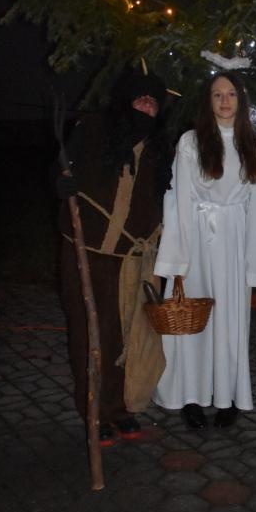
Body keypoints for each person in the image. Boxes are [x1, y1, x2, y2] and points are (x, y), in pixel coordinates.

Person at [153, 70, 256, 429]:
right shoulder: (192, 142)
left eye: (231, 95)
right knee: (192, 318)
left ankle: (228, 395)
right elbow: (178, 198)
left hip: (234, 241)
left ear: (241, 100)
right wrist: (178, 255)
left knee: (229, 317)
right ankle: (190, 395)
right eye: (217, 95)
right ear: (208, 101)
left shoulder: (254, 145)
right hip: (196, 237)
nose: (225, 101)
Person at [58, 66, 173, 445]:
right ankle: (95, 411)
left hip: (132, 261)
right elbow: (61, 167)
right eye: (140, 97)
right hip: (88, 254)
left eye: (153, 102)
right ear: (125, 100)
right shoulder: (93, 131)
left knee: (127, 336)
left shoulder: (158, 150)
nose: (147, 105)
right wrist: (61, 182)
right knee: (93, 335)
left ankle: (121, 407)